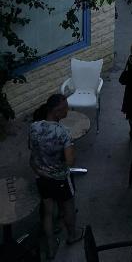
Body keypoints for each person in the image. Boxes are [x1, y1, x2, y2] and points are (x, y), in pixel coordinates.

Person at [29, 94, 83, 258]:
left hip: (41, 176)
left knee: (47, 212)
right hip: (60, 178)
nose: (68, 110)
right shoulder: (63, 133)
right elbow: (70, 162)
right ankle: (72, 235)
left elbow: (32, 151)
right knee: (68, 206)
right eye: (65, 108)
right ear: (57, 111)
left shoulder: (34, 127)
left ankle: (51, 247)